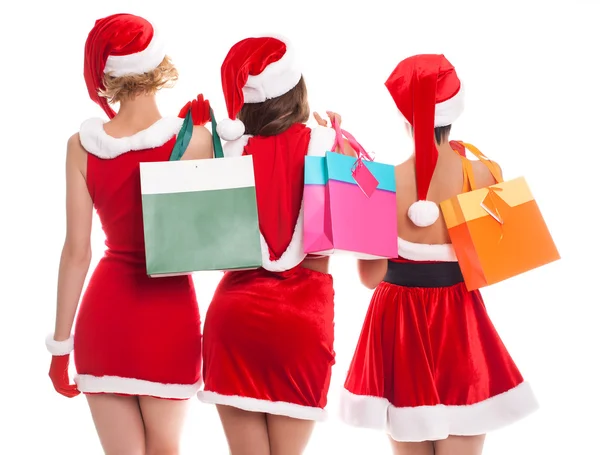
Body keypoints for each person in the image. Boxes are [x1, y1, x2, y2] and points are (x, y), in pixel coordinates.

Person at [339, 54, 539, 455]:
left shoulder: (379, 183)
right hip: (459, 324)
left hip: (398, 326)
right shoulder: (481, 175)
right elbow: (496, 262)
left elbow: (370, 277)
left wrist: (349, 176)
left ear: (404, 115)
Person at [45, 13, 212, 455]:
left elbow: (75, 253)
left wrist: (60, 348)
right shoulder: (196, 140)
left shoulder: (81, 147)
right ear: (158, 65)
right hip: (170, 315)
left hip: (105, 320)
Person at [198, 35, 352, 455]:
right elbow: (367, 247)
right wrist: (349, 146)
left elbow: (202, 242)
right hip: (301, 325)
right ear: (297, 88)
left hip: (235, 320)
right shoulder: (329, 147)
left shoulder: (227, 152)